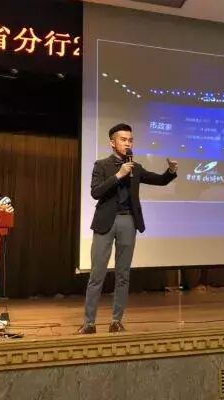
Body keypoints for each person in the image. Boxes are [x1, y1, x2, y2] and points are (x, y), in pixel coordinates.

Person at [79, 123, 178, 334]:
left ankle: (116, 321)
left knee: (123, 274)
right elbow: (96, 192)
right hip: (105, 222)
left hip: (128, 221)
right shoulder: (101, 165)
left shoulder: (136, 167)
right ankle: (89, 323)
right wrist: (118, 175)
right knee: (97, 274)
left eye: (130, 140)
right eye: (123, 140)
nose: (128, 143)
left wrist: (171, 171)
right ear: (112, 142)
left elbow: (160, 180)